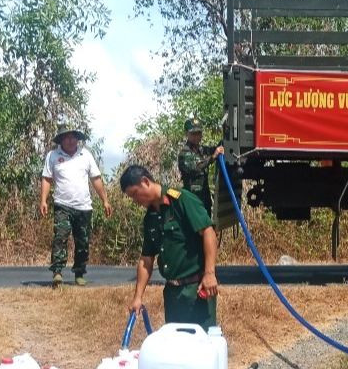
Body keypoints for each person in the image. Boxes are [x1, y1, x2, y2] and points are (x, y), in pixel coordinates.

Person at [121, 164, 218, 328]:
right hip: (172, 295)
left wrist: (210, 274)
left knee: (202, 347)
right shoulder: (150, 217)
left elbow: (208, 232)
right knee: (175, 348)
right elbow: (146, 259)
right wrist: (138, 297)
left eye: (135, 194)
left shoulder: (182, 200)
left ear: (145, 181)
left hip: (196, 290)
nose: (135, 201)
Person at [40, 126, 110, 286]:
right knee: (60, 237)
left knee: (82, 242)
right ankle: (57, 272)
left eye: (73, 137)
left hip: (84, 207)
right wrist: (43, 200)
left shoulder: (86, 155)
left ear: (77, 139)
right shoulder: (53, 156)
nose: (71, 141)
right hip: (62, 205)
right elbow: (46, 178)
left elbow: (96, 178)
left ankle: (79, 273)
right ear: (61, 140)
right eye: (67, 138)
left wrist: (105, 200)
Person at [176, 117, 224, 215]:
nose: (196, 136)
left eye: (198, 133)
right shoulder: (184, 153)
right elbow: (197, 167)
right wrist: (213, 157)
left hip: (205, 200)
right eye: (193, 134)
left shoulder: (201, 150)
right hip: (192, 200)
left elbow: (215, 149)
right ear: (187, 134)